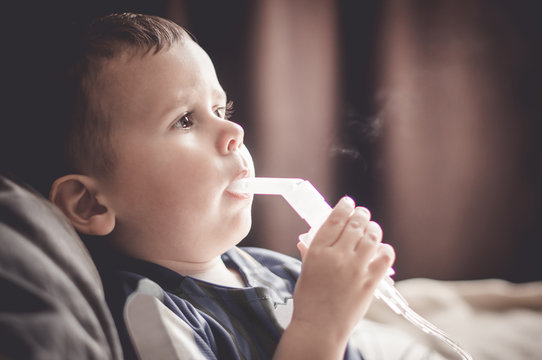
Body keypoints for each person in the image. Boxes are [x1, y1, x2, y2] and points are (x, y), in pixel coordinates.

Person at [48, 13, 441, 359]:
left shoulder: (279, 271)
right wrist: (320, 325)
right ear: (90, 205)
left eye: (221, 110)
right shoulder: (150, 315)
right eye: (185, 120)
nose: (234, 131)